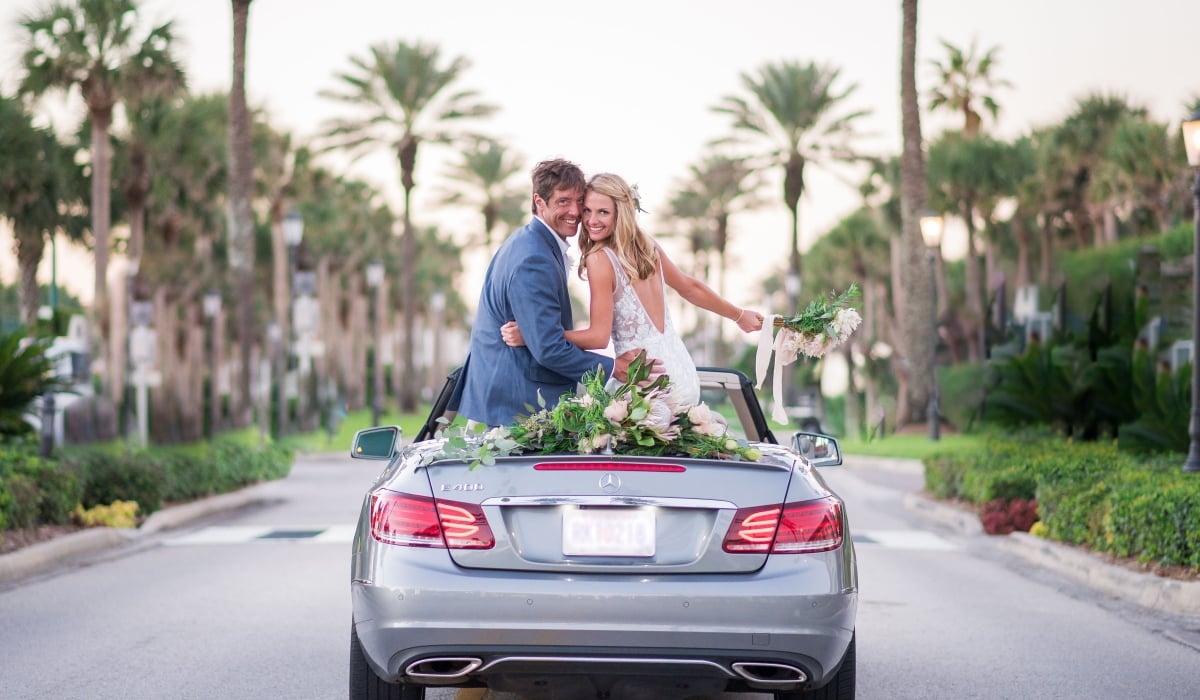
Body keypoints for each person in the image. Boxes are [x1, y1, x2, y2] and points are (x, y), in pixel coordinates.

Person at [502, 172, 764, 407]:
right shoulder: (647, 245)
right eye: (587, 211)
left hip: (643, 381)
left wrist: (536, 335)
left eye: (603, 212)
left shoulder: (600, 259)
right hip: (682, 374)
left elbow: (597, 337)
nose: (592, 220)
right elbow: (690, 287)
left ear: (619, 213)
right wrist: (739, 315)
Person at [452, 159, 655, 427]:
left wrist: (533, 336)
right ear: (540, 201)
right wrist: (615, 368)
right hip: (517, 404)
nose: (574, 211)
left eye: (579, 201)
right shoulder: (533, 258)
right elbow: (548, 349)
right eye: (563, 201)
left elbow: (543, 338)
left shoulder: (528, 242)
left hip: (511, 398)